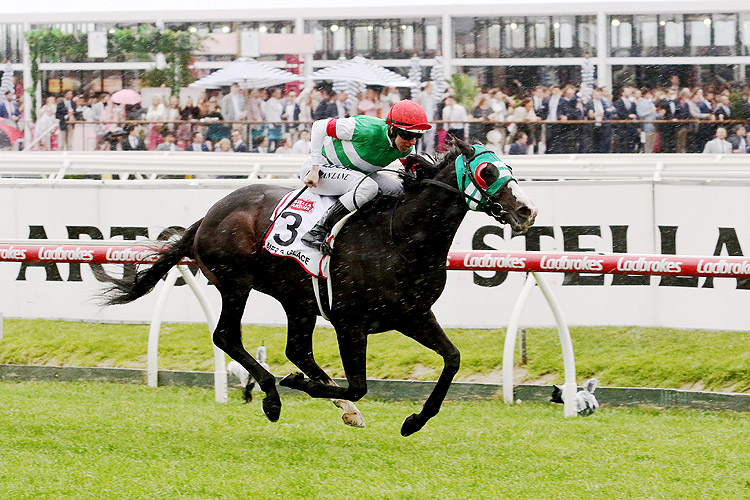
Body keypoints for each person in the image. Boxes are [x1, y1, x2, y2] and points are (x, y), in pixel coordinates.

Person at [299, 99, 430, 251]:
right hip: (321, 170)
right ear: (392, 129)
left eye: (417, 137)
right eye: (407, 135)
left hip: (355, 175)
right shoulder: (363, 128)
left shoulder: (406, 148)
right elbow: (319, 126)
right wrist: (314, 168)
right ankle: (317, 230)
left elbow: (416, 176)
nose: (412, 142)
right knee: (368, 187)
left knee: (400, 189)